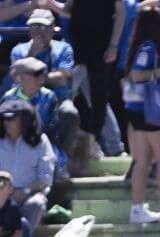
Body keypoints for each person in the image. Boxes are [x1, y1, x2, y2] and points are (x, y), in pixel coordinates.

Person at [119, 7, 160, 225]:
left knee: (143, 161)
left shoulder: (139, 45)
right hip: (149, 110)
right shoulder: (148, 47)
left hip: (138, 111)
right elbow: (138, 75)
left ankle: (137, 209)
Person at [42, 0, 124, 150]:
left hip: (101, 50)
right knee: (69, 95)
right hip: (77, 50)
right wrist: (49, 3)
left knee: (98, 99)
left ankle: (113, 146)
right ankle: (102, 145)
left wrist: (113, 45)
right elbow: (67, 11)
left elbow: (120, 14)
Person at [4, 57, 77, 174]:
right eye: (36, 75)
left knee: (53, 164)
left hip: (41, 142)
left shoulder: (49, 96)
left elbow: (52, 130)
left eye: (42, 75)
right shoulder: (8, 97)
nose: (41, 79)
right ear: (21, 78)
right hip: (15, 145)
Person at [0, 99, 54, 230]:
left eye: (11, 118)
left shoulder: (40, 142)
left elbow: (45, 178)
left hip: (29, 195)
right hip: (1, 195)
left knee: (37, 204)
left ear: (24, 120)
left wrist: (24, 192)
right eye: (3, 118)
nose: (6, 122)